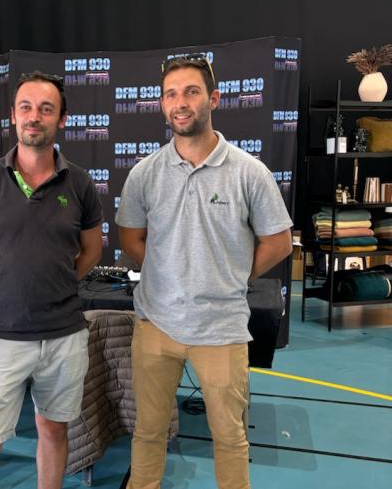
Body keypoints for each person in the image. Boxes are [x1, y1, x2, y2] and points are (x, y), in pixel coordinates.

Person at [116, 56, 293, 489]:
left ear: (212, 99)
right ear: (161, 104)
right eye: (171, 94)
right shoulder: (144, 174)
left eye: (191, 91)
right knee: (149, 432)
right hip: (156, 325)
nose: (181, 102)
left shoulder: (249, 173)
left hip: (222, 329)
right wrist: (167, 272)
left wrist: (229, 275)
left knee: (229, 438)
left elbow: (279, 243)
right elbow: (131, 239)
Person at [0, 71, 103, 489]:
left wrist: (58, 284)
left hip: (63, 338)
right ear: (13, 117)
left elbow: (92, 250)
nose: (34, 117)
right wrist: (0, 290)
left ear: (62, 120)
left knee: (53, 431)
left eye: (45, 109)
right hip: (0, 336)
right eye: (25, 107)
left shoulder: (80, 184)